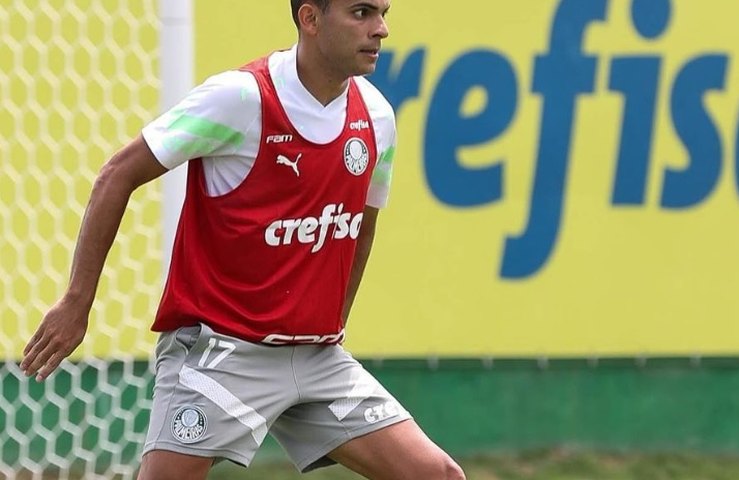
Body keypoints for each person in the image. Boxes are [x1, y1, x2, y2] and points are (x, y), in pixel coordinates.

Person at [21, 0, 466, 478]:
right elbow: (117, 173)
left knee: (438, 474)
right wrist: (76, 301)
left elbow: (362, 222)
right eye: (361, 13)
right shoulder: (240, 98)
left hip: (317, 357)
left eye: (382, 12)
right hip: (223, 352)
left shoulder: (376, 116)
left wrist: (332, 321)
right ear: (310, 19)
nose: (381, 30)